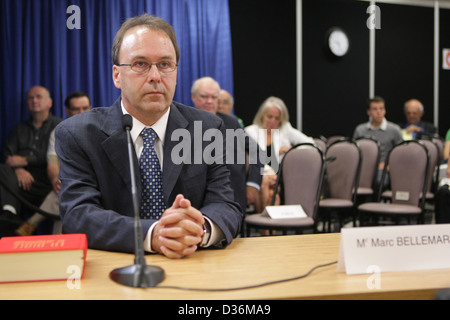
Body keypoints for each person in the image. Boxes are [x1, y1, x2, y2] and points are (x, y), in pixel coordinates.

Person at [55, 14, 242, 259]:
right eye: (140, 64)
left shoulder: (207, 130)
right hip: (114, 272)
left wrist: (199, 228)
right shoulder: (77, 134)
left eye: (165, 64)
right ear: (116, 75)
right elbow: (78, 215)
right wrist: (153, 234)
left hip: (193, 265)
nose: (155, 76)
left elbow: (226, 205)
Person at [15, 91, 91, 236]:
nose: (81, 112)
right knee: (64, 192)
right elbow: (52, 163)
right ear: (67, 111)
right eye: (76, 109)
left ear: (90, 108)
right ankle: (59, 247)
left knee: (67, 191)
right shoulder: (59, 131)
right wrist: (56, 179)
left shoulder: (100, 129)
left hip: (94, 183)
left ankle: (32, 223)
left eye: (85, 108)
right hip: (71, 183)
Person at [191, 77, 263, 213]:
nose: (209, 101)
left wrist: (253, 184)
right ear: (193, 97)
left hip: (233, 197)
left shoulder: (232, 123)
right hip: (195, 202)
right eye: (204, 96)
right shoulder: (181, 123)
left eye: (214, 97)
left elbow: (257, 152)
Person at [0, 86, 62, 236]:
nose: (34, 101)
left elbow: (52, 156)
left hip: (45, 179)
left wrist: (26, 160)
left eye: (38, 97)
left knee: (64, 189)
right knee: (2, 170)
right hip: (18, 180)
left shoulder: (58, 126)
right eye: (30, 98)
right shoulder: (19, 128)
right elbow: (8, 156)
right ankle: (9, 213)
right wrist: (18, 170)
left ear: (50, 102)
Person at [245, 96, 315, 209]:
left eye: (277, 118)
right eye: (270, 117)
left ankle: (263, 225)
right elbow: (253, 157)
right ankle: (268, 226)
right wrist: (270, 166)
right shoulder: (250, 131)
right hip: (259, 176)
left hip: (282, 177)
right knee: (270, 189)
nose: (273, 121)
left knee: (270, 189)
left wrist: (291, 151)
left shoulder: (285, 129)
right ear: (262, 115)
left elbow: (311, 144)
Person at [353, 96, 403, 191]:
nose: (379, 112)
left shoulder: (394, 130)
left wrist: (389, 165)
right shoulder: (360, 130)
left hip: (383, 168)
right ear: (369, 112)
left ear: (385, 110)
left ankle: (375, 203)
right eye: (375, 109)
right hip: (364, 167)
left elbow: (401, 153)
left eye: (381, 108)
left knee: (380, 181)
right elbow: (355, 152)